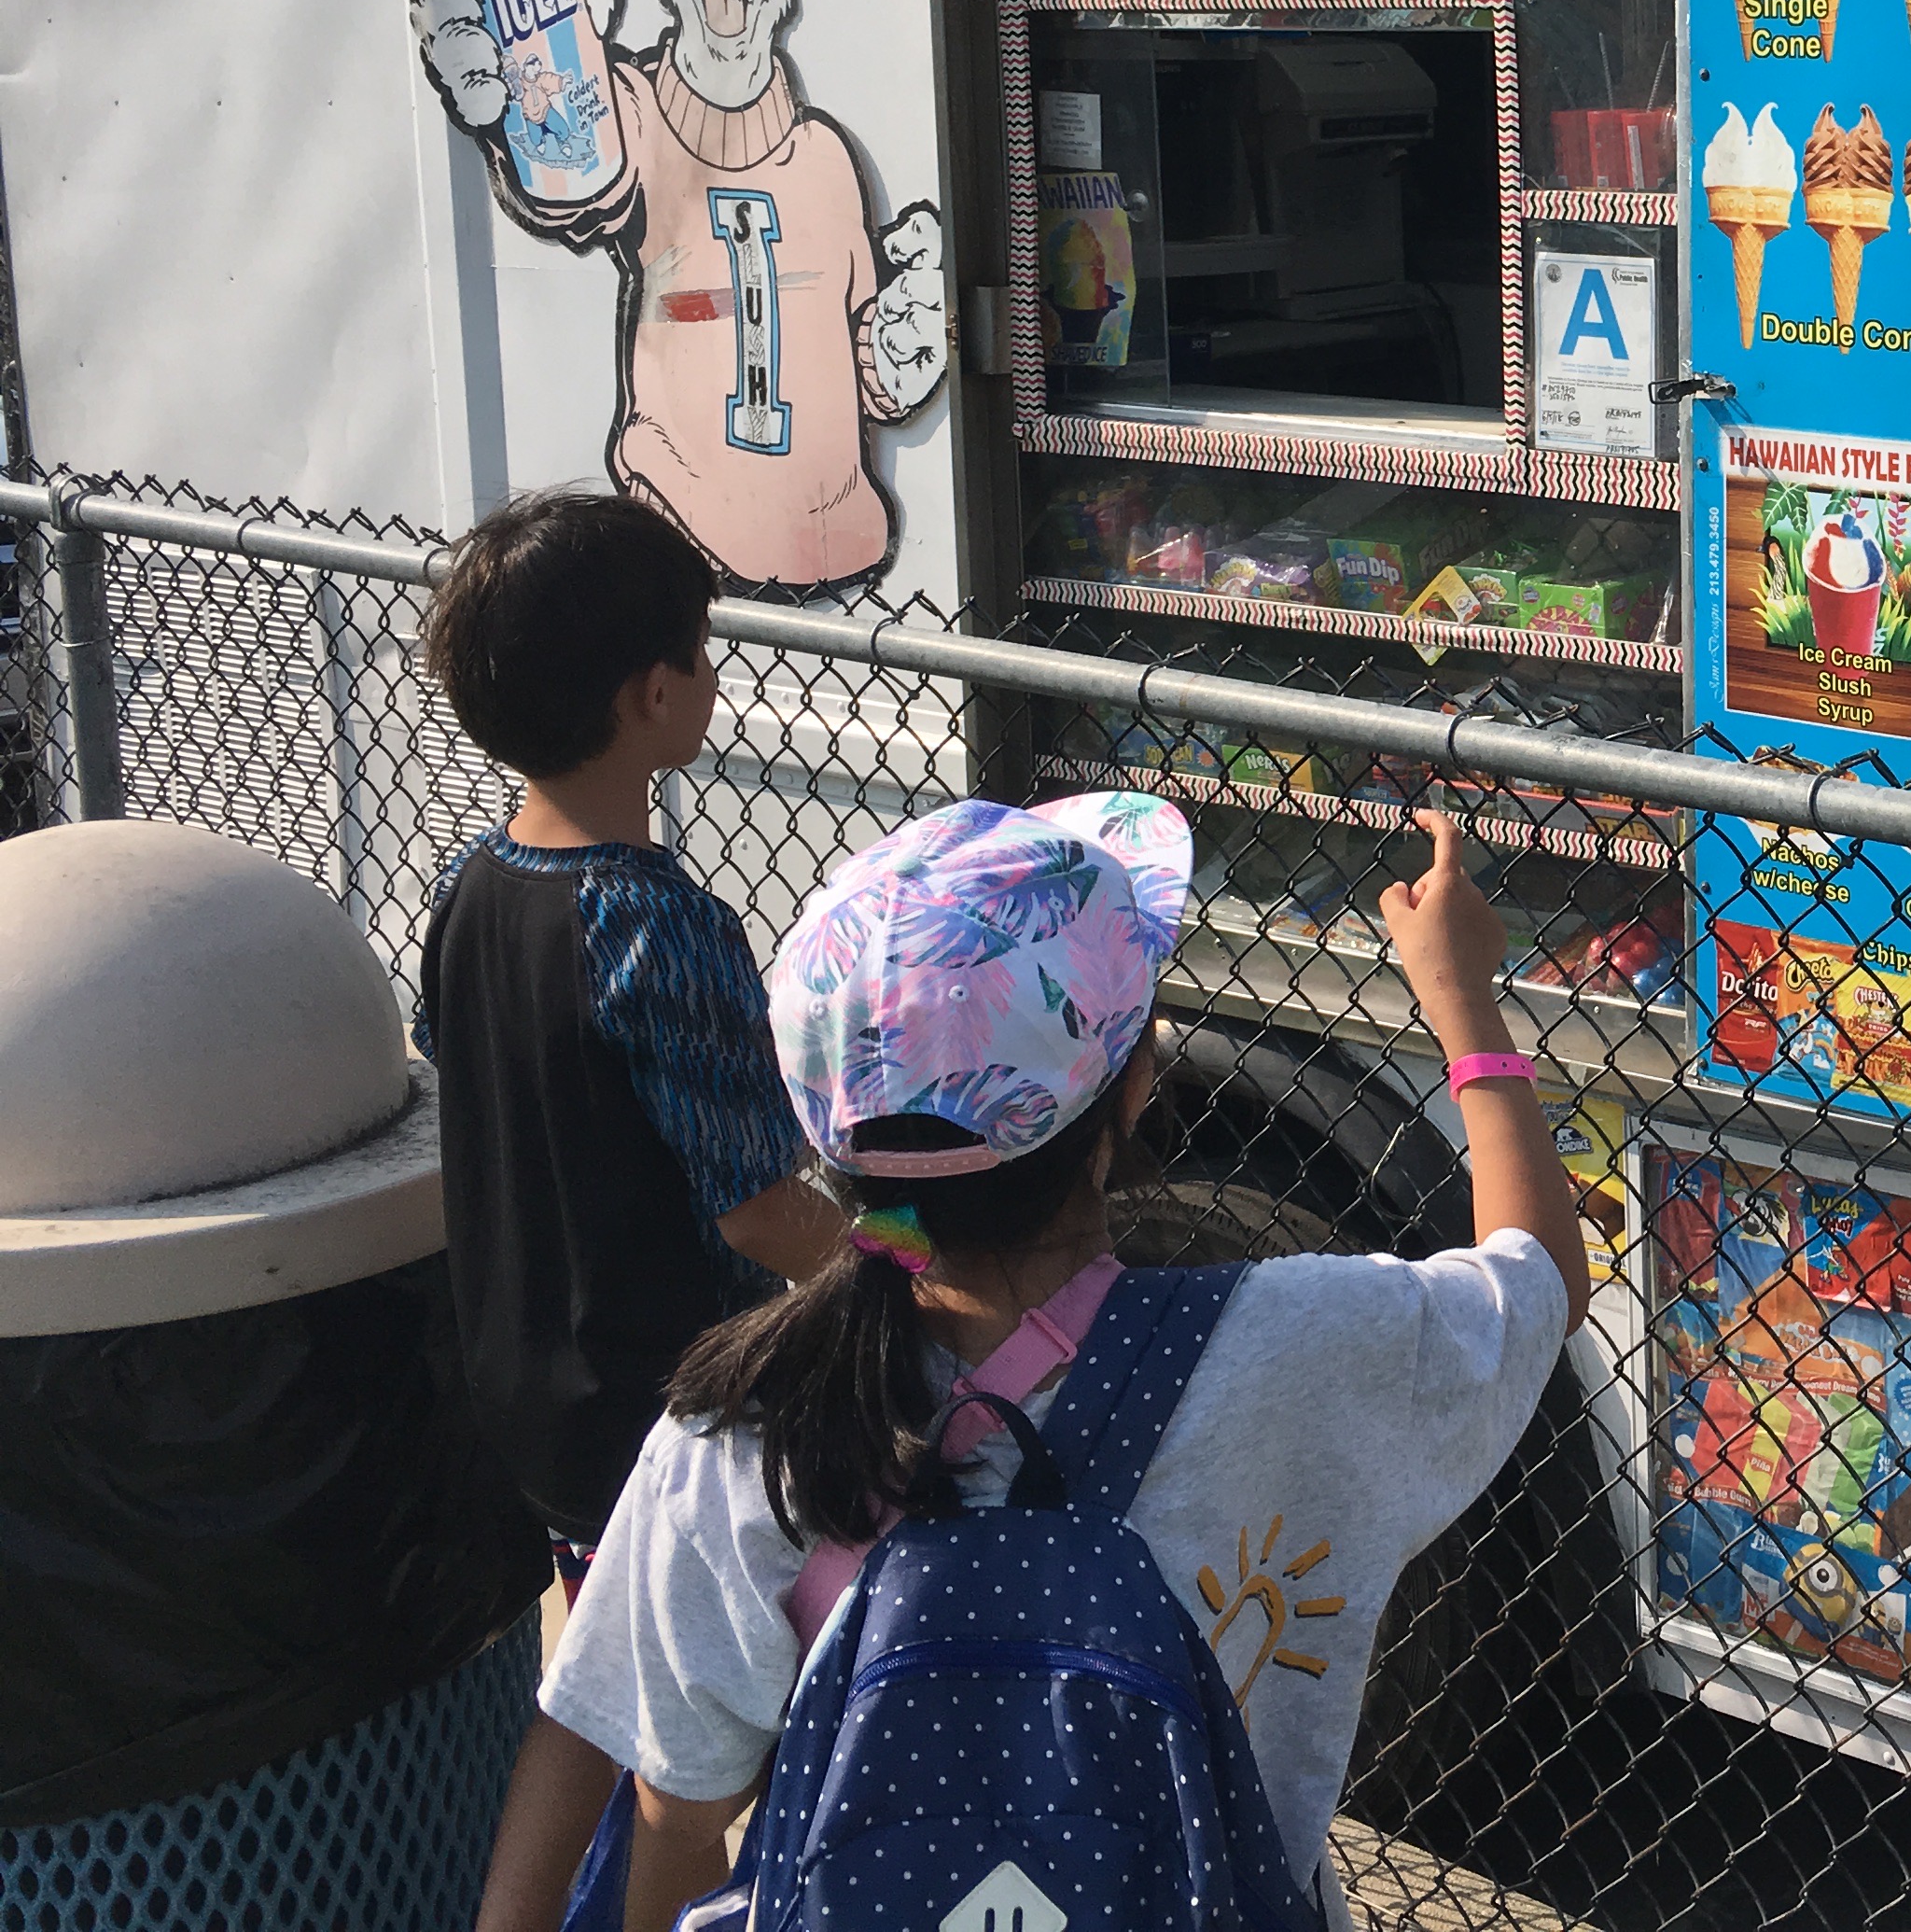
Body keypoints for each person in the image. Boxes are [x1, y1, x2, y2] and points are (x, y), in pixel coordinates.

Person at [471, 794, 1584, 1932]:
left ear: (829, 1132)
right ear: (1137, 1087)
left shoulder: (739, 1433)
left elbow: (676, 1810)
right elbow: (1538, 1281)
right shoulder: (1302, 1346)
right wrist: (1465, 1004)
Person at [414, 485, 845, 1571]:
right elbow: (757, 1215)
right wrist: (913, 1269)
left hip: (525, 1395)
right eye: (700, 656)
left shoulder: (474, 884)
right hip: (668, 1417)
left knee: (612, 1678)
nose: (709, 676)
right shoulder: (658, 924)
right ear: (654, 694)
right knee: (708, 1716)